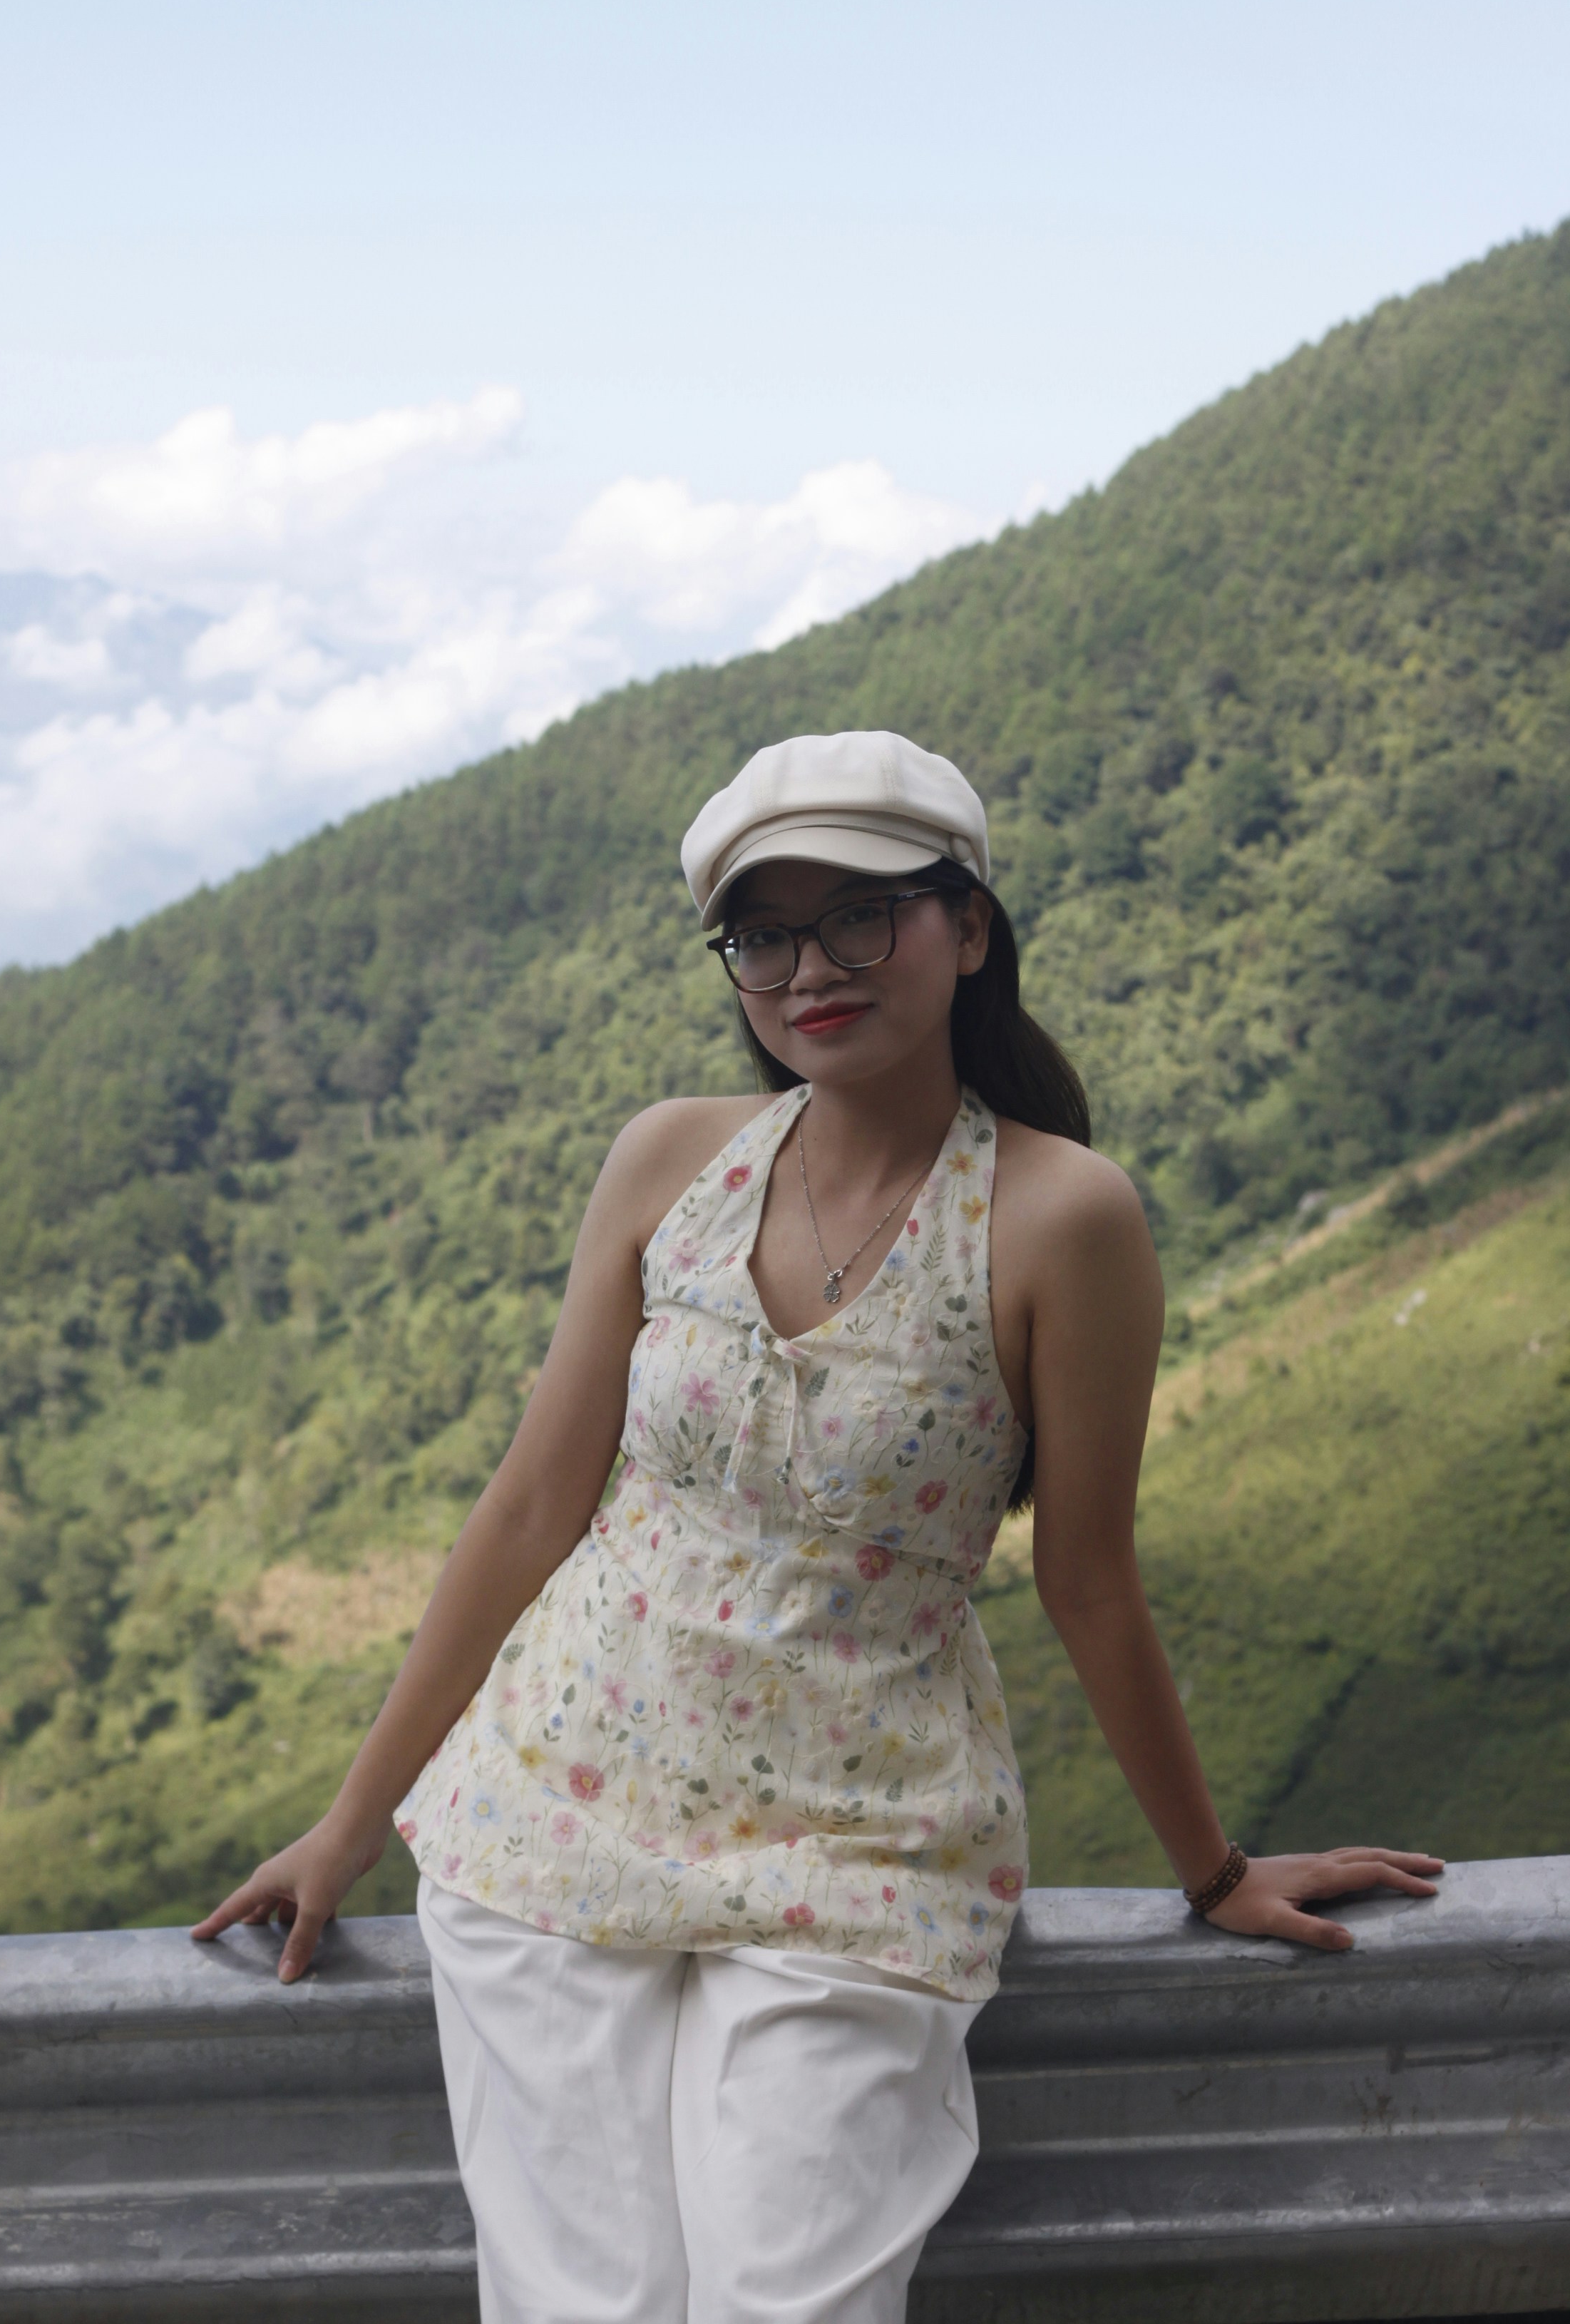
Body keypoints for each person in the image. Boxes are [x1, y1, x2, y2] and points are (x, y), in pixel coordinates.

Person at [195, 730, 1442, 2324]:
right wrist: (349, 1823)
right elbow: (529, 1507)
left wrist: (1214, 1873)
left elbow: (1091, 1583)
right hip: (553, 1807)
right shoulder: (671, 1159)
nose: (810, 973)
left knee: (792, 2306)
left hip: (858, 1847)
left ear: (967, 926)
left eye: (860, 917)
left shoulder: (1062, 1215)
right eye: (764, 936)